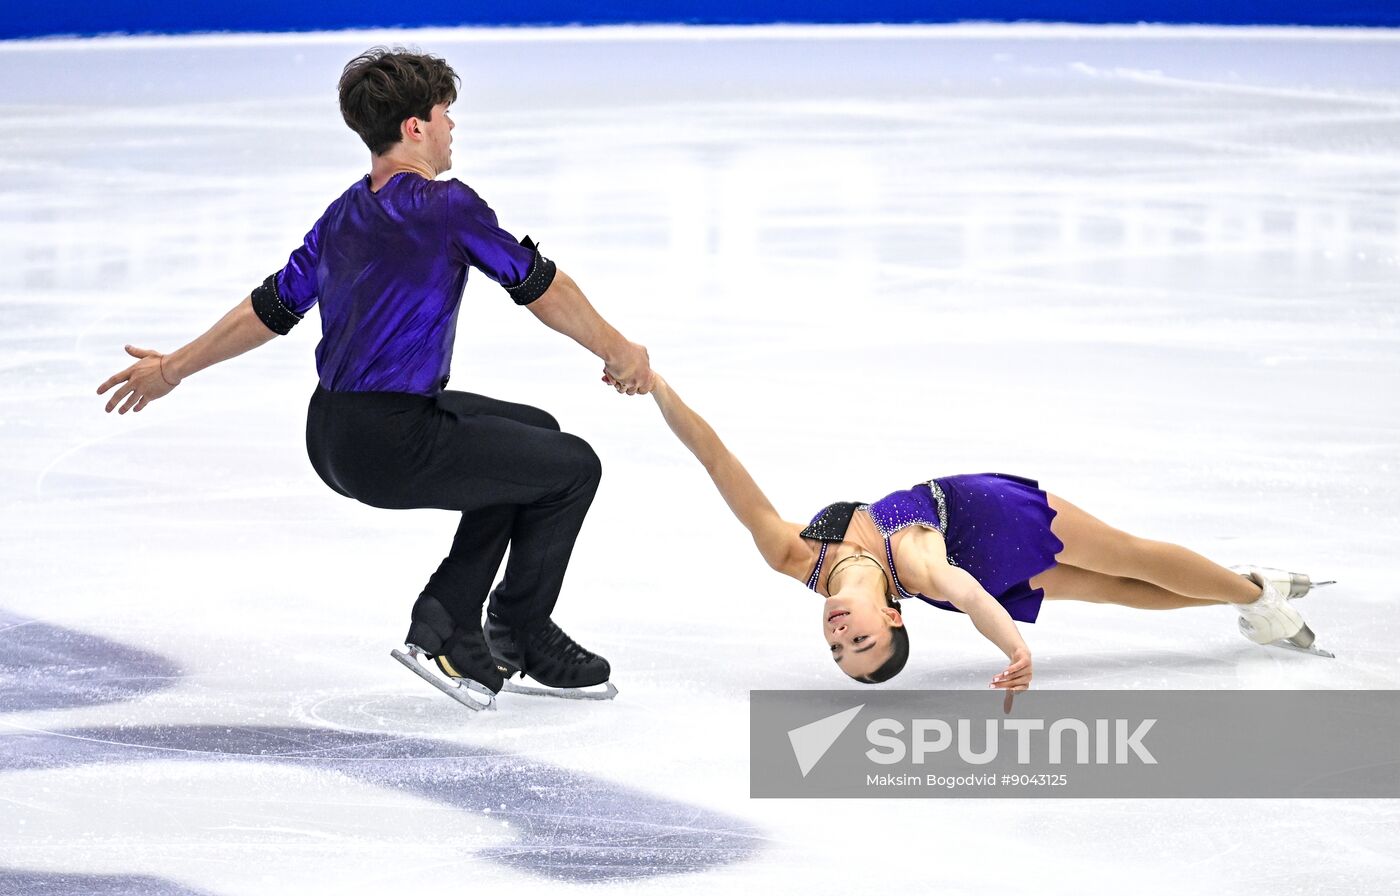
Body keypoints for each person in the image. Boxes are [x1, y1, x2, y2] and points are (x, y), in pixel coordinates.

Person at [97, 48, 654, 709]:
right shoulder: (445, 207)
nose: (453, 129)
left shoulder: (344, 212)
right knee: (572, 466)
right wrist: (619, 349)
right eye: (446, 115)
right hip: (391, 441)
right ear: (415, 127)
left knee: (530, 437)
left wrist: (172, 369)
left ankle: (468, 623)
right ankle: (497, 628)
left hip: (331, 431)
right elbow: (539, 285)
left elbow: (272, 307)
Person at [636, 374, 1331, 693]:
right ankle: (1253, 595)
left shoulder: (794, 555)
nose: (844, 633)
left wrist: (659, 390)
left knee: (1130, 557)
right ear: (893, 618)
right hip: (983, 563)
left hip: (987, 515)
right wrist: (1016, 645)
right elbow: (962, 592)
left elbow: (717, 461)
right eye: (862, 643)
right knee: (1116, 589)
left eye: (839, 647)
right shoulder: (915, 564)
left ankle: (1253, 592)